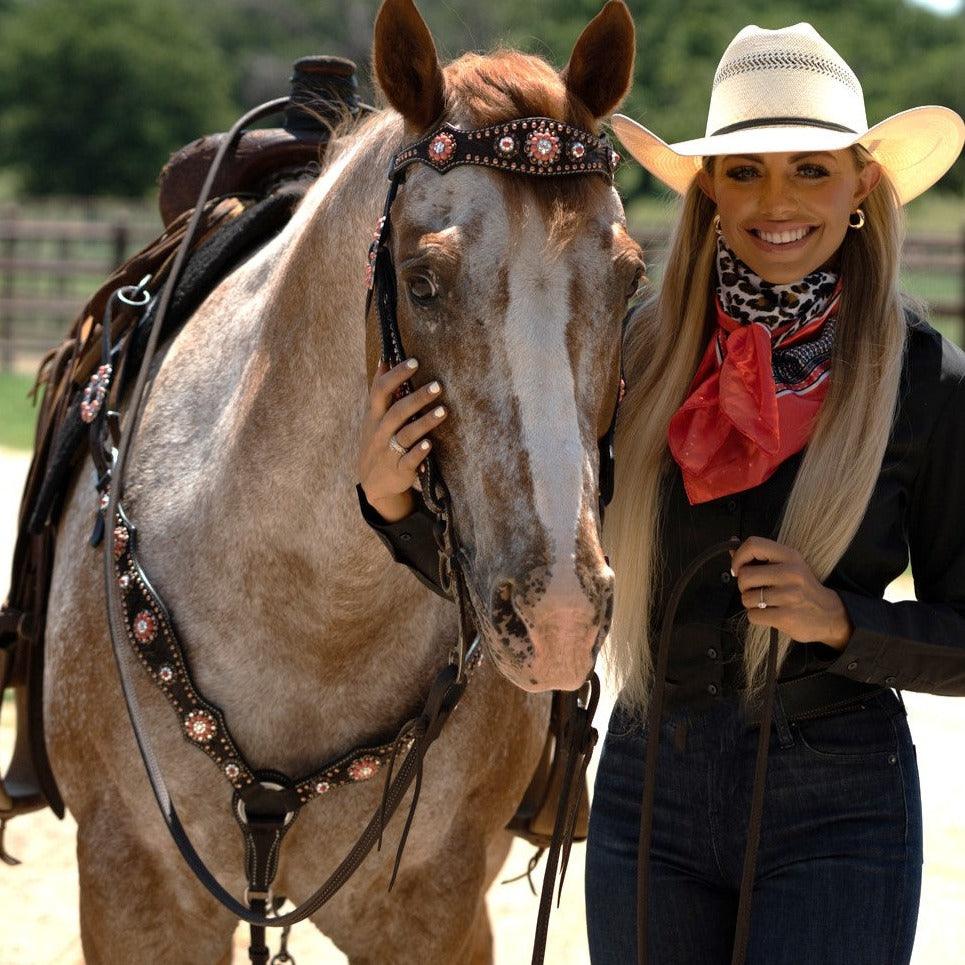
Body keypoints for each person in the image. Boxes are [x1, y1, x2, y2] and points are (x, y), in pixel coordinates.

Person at [356, 22, 965, 965]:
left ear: (861, 187)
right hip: (650, 787)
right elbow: (536, 571)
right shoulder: (635, 348)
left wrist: (842, 622)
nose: (776, 203)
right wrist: (390, 500)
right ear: (708, 191)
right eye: (743, 172)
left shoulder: (924, 379)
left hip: (838, 797)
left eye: (810, 170)